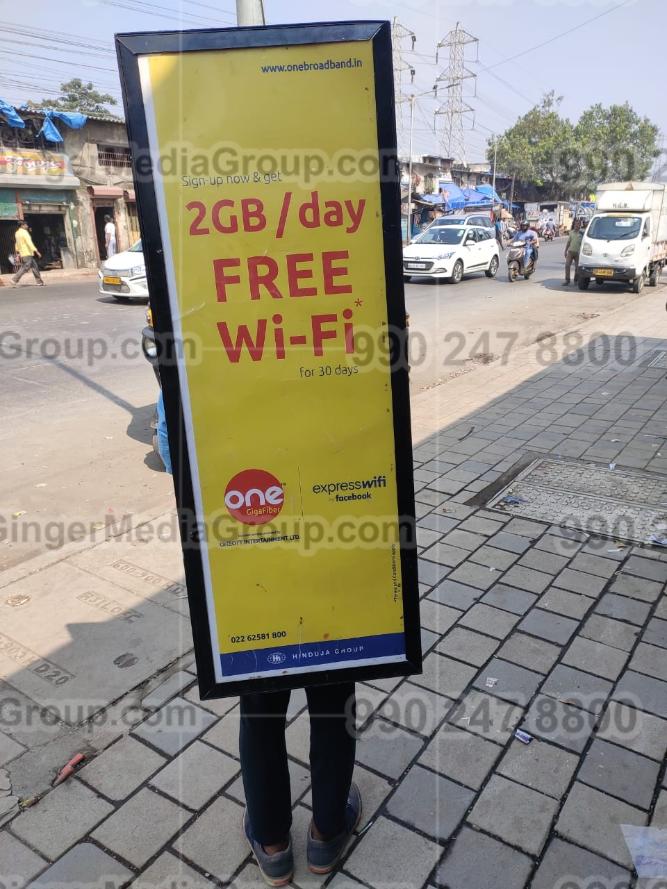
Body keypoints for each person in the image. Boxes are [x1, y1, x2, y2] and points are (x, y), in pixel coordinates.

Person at [156, 389, 361, 886]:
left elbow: (173, 447)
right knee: (334, 692)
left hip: (247, 543)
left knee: (260, 702)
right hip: (329, 525)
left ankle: (271, 844)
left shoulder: (192, 318)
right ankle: (326, 833)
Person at [11, 222, 45, 286]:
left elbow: (16, 243)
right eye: (26, 225)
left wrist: (18, 252)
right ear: (22, 225)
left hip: (24, 253)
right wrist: (36, 251)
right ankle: (14, 279)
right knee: (25, 267)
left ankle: (39, 282)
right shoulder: (24, 232)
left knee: (35, 267)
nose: (27, 226)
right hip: (27, 253)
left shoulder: (17, 233)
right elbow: (29, 242)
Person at [564, 221, 584, 286]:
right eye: (575, 225)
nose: (576, 226)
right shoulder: (571, 232)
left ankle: (576, 280)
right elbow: (568, 242)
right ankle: (567, 280)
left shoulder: (582, 234)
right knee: (567, 265)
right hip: (570, 252)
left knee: (577, 268)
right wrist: (565, 251)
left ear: (580, 226)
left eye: (578, 225)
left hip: (578, 253)